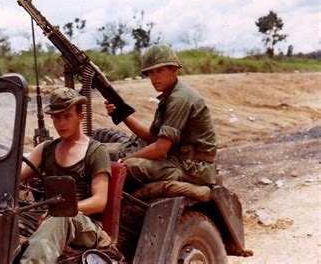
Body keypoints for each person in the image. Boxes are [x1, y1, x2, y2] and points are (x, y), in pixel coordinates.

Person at [105, 45, 218, 193]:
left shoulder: (180, 98)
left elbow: (160, 148)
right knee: (102, 152)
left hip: (192, 168)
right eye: (151, 72)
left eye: (159, 70)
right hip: (179, 160)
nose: (154, 77)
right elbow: (151, 137)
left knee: (131, 166)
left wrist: (124, 161)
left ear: (174, 70)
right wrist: (122, 114)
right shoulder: (169, 96)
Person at [20, 87, 112, 263]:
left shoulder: (96, 151)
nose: (61, 123)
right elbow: (15, 177)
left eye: (67, 116)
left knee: (62, 217)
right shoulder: (45, 149)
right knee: (5, 218)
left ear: (80, 116)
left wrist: (56, 212)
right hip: (48, 217)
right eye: (56, 117)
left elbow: (100, 201)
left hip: (84, 224)